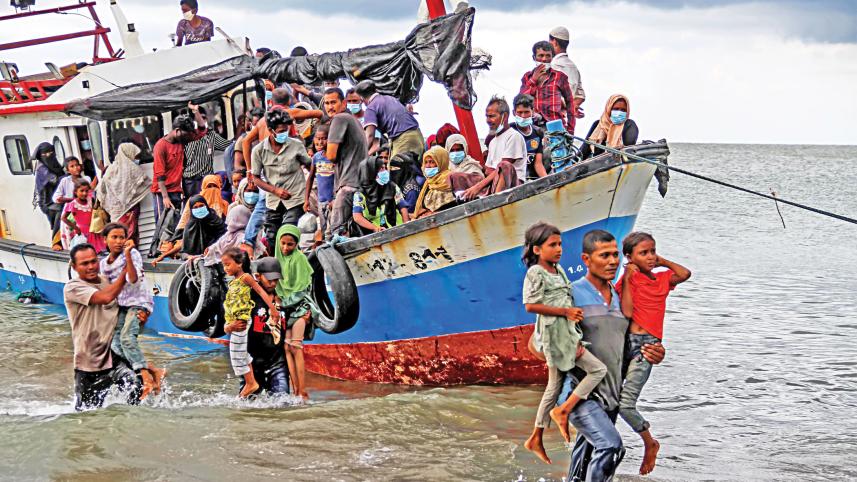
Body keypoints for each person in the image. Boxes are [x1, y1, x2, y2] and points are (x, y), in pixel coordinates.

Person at [557, 230, 666, 482]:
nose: (612, 261)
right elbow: (537, 344)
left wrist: (656, 352)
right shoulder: (570, 294)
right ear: (586, 259)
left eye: (615, 255)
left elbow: (632, 340)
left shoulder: (622, 297)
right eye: (604, 256)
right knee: (611, 447)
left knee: (585, 460)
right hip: (578, 392)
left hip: (611, 395)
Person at [521, 222, 607, 465]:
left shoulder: (558, 270)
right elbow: (530, 305)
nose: (559, 249)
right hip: (554, 336)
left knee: (554, 385)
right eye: (552, 245)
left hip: (566, 334)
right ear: (537, 250)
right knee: (597, 370)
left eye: (560, 244)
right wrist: (565, 312)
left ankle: (537, 435)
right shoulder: (535, 272)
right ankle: (562, 411)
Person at [615, 232, 691, 475]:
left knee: (625, 405)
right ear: (629, 257)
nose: (650, 257)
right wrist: (627, 277)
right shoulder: (628, 280)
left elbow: (685, 274)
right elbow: (626, 311)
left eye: (652, 251)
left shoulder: (662, 279)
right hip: (625, 343)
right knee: (609, 398)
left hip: (648, 346)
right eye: (643, 253)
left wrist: (663, 261)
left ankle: (650, 442)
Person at [65, 243, 141, 411]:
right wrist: (124, 271)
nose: (91, 266)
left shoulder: (106, 281)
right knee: (87, 414)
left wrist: (140, 315)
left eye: (94, 261)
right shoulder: (73, 287)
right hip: (89, 362)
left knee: (135, 387)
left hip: (113, 355)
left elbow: (122, 309)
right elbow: (106, 297)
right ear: (75, 266)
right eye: (85, 264)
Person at [101, 223, 165, 400]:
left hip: (139, 302)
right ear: (105, 240)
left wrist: (128, 255)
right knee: (115, 343)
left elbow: (133, 279)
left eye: (122, 237)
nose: (119, 241)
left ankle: (146, 379)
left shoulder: (133, 254)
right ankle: (152, 369)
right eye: (114, 237)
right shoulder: (103, 264)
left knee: (127, 338)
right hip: (121, 306)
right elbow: (107, 289)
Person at [225, 257, 291, 396]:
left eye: (276, 280)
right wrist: (230, 327)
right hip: (252, 365)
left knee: (283, 404)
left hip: (277, 363)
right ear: (257, 277)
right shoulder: (247, 299)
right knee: (247, 407)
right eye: (269, 279)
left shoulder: (284, 299)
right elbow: (226, 324)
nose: (273, 283)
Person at [250, 109, 312, 249]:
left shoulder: (296, 145)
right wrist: (275, 190)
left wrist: (310, 192)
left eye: (286, 129)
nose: (284, 133)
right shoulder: (259, 151)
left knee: (288, 231)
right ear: (271, 131)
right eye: (281, 130)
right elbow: (256, 178)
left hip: (295, 198)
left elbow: (310, 167)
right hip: (273, 201)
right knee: (272, 237)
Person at [274, 225, 318, 399]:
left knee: (296, 347)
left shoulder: (300, 259)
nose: (285, 248)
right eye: (283, 243)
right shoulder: (276, 259)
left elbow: (301, 290)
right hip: (284, 312)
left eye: (290, 244)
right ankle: (295, 390)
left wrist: (281, 302)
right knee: (286, 347)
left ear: (296, 244)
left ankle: (303, 391)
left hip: (299, 309)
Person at [241, 89, 323, 173]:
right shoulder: (289, 113)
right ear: (288, 102)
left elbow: (245, 142)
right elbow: (320, 114)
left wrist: (249, 169)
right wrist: (316, 133)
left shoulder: (262, 121)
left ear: (272, 102)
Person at [463, 97, 526, 200]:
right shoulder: (492, 142)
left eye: (492, 116)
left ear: (504, 116)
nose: (488, 120)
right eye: (487, 117)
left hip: (513, 186)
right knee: (457, 176)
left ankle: (496, 202)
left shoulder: (514, 136)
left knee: (504, 165)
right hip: (494, 183)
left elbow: (502, 168)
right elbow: (489, 170)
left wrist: (477, 187)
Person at [324, 88, 368, 238]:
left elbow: (330, 155)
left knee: (334, 235)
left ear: (343, 103)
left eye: (333, 102)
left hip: (348, 186)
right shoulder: (353, 121)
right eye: (327, 103)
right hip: (357, 184)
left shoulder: (340, 118)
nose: (330, 107)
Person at [151, 107, 207, 223]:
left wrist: (195, 111)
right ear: (177, 131)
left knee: (176, 224)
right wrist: (165, 197)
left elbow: (202, 130)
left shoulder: (182, 140)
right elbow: (159, 175)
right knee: (163, 225)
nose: (188, 138)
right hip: (162, 192)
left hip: (176, 190)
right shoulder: (161, 146)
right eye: (186, 135)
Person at [354, 80, 424, 159]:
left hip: (403, 139)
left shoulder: (371, 108)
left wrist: (360, 155)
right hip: (417, 136)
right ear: (375, 90)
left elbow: (370, 135)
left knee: (398, 169)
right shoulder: (390, 98)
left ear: (362, 98)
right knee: (414, 168)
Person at [96, 143, 150, 246]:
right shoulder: (133, 169)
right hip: (130, 209)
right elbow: (145, 184)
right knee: (130, 233)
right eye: (134, 156)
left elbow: (101, 190)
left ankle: (122, 252)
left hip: (115, 210)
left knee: (118, 232)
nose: (135, 159)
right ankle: (130, 254)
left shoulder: (111, 169)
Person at [519, 41, 574, 133]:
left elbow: (570, 103)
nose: (544, 59)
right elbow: (521, 101)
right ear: (534, 57)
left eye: (548, 56)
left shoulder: (560, 77)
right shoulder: (527, 77)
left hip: (555, 126)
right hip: (532, 127)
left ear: (552, 57)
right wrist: (533, 80)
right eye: (541, 55)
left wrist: (571, 129)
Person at [183, 106, 232, 199]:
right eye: (198, 117)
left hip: (207, 179)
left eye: (203, 117)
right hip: (191, 181)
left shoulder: (211, 136)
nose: (201, 120)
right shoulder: (187, 136)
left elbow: (228, 146)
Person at [352, 157, 411, 234]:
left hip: (396, 229)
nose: (385, 171)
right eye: (381, 169)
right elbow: (357, 217)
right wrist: (375, 228)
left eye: (385, 168)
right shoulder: (360, 194)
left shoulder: (392, 187)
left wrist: (406, 226)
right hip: (374, 234)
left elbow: (402, 208)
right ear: (371, 172)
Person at [200, 205, 265, 266]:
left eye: (233, 218)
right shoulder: (228, 234)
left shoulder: (244, 237)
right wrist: (209, 249)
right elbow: (217, 245)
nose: (231, 222)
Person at [548, 26, 585, 130]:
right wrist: (572, 107)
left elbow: (549, 97)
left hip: (550, 121)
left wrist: (568, 105)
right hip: (567, 122)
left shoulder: (553, 65)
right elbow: (580, 96)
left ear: (554, 42)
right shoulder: (573, 67)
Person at [580, 95, 639, 160]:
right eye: (616, 109)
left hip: (619, 163)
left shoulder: (629, 125)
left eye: (623, 110)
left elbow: (628, 148)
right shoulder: (597, 125)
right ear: (609, 108)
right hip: (597, 166)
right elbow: (584, 151)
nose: (619, 112)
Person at [304, 124, 335, 238]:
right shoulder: (316, 157)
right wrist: (306, 199)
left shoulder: (334, 157)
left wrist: (335, 198)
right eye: (318, 138)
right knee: (323, 229)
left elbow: (339, 179)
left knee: (333, 230)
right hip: (320, 202)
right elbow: (311, 178)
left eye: (324, 139)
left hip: (333, 201)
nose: (320, 142)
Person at [32, 142, 65, 248]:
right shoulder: (41, 169)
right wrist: (70, 175)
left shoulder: (55, 164)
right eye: (45, 154)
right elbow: (55, 180)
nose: (48, 155)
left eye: (51, 152)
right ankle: (56, 242)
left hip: (56, 198)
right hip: (47, 203)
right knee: (62, 210)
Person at [60, 179, 106, 252]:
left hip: (93, 230)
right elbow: (63, 218)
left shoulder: (91, 200)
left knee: (96, 251)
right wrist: (76, 228)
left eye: (86, 191)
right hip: (82, 232)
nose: (84, 193)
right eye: (81, 191)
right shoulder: (72, 204)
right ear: (76, 192)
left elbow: (95, 209)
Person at [512, 94, 548, 181]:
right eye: (520, 112)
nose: (523, 116)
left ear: (533, 111)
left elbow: (538, 164)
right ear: (514, 113)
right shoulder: (509, 131)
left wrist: (547, 180)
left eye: (526, 112)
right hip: (512, 178)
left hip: (530, 178)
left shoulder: (538, 133)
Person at [414, 146, 456, 218]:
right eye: (426, 162)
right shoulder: (428, 184)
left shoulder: (451, 179)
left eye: (432, 162)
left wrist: (435, 213)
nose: (428, 166)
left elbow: (454, 205)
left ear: (441, 162)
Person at [444, 134, 485, 201]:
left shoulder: (472, 165)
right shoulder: (446, 167)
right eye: (452, 150)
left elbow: (481, 183)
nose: (455, 153)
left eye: (458, 149)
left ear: (464, 149)